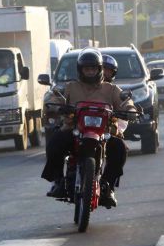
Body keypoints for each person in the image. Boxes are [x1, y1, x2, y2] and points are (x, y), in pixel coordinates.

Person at [41, 49, 136, 208]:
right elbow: (55, 96)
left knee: (120, 148)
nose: (90, 72)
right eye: (87, 69)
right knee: (55, 142)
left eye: (93, 68)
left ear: (99, 69)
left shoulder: (111, 89)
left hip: (103, 133)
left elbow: (126, 103)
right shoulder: (71, 87)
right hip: (74, 130)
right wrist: (55, 106)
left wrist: (130, 111)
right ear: (80, 70)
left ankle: (108, 186)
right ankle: (58, 181)